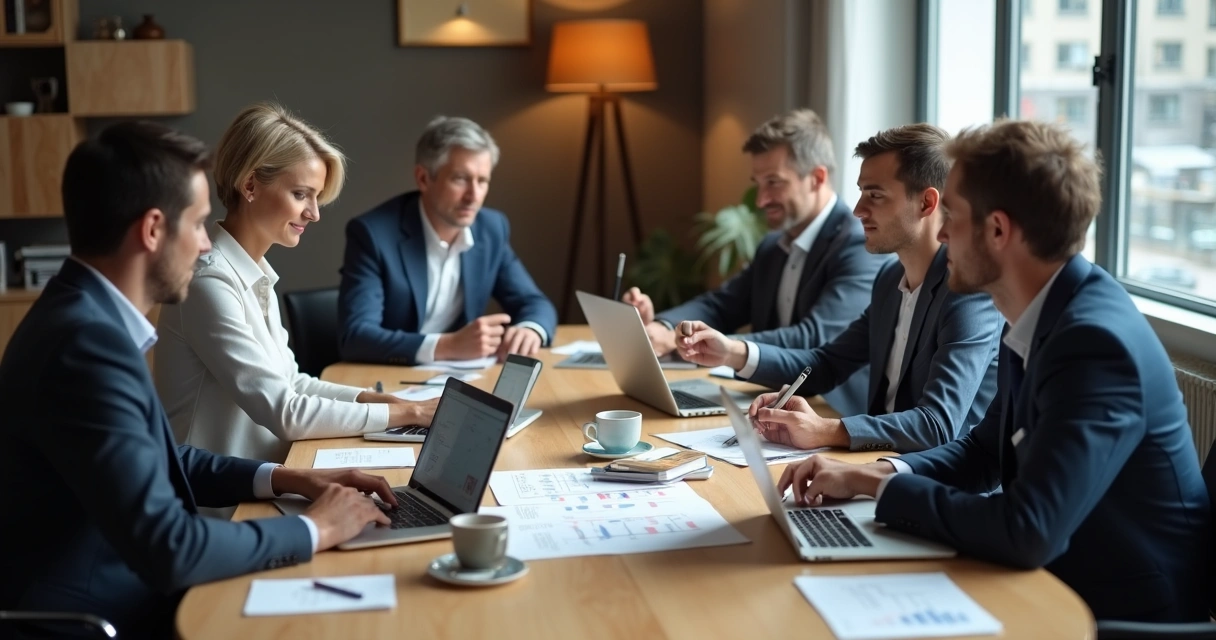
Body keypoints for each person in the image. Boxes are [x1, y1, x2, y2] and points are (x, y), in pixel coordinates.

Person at [775, 119, 1212, 623]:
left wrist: (881, 490)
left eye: (953, 218)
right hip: (1052, 574)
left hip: (1113, 610)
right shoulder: (1038, 311)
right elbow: (984, 451)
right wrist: (874, 474)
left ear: (999, 231)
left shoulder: (1093, 343)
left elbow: (1029, 529)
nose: (939, 233)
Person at [0, 120, 398, 638]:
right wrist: (315, 527)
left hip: (128, 580)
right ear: (151, 230)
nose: (206, 247)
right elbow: (171, 548)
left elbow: (163, 457)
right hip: (105, 609)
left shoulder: (81, 316)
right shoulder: (86, 345)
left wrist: (285, 478)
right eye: (197, 225)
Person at [675, 124, 1001, 453]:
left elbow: (937, 425)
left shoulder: (970, 292)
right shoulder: (890, 280)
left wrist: (826, 430)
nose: (858, 209)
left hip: (936, 488)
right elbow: (828, 364)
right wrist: (731, 352)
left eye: (875, 195)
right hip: (875, 467)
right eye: (860, 193)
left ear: (926, 203)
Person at [155, 103, 436, 469]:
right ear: (250, 184)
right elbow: (286, 411)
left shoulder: (254, 276)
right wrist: (410, 413)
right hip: (218, 502)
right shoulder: (208, 282)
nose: (314, 213)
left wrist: (384, 402)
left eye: (316, 197)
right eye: (301, 194)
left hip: (267, 475)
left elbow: (294, 384)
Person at [623, 109, 885, 414]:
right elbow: (722, 304)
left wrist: (719, 346)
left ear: (817, 178)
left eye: (773, 182)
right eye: (758, 184)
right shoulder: (774, 245)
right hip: (768, 402)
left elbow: (813, 337)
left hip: (828, 412)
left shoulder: (858, 243)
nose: (760, 200)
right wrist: (664, 326)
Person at [338, 115, 557, 366]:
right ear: (423, 178)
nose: (473, 196)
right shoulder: (373, 234)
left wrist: (530, 329)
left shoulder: (491, 228)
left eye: (482, 181)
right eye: (460, 179)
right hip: (389, 379)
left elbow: (533, 302)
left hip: (457, 380)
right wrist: (448, 345)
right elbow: (355, 336)